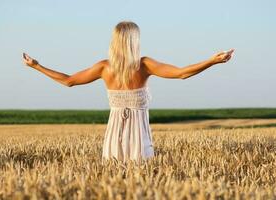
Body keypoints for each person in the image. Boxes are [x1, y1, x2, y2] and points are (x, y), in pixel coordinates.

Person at [23, 21, 234, 165]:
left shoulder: (104, 68)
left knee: (113, 179)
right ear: (134, 41)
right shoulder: (144, 65)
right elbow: (181, 74)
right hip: (138, 133)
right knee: (141, 178)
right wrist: (212, 61)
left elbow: (68, 81)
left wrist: (37, 66)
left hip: (114, 132)